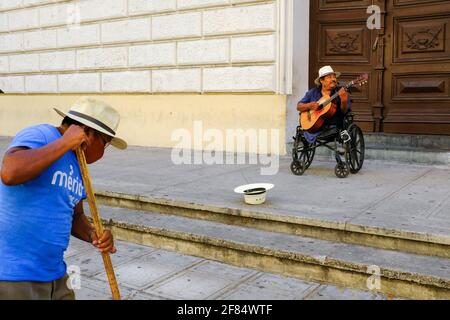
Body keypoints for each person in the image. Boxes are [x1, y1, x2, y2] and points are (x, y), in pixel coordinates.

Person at [0, 97, 127, 300]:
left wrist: (93, 234)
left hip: (55, 273)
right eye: (105, 143)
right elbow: (10, 172)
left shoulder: (79, 166)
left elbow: (75, 216)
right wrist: (65, 142)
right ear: (88, 132)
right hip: (15, 275)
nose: (103, 152)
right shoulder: (42, 135)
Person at [297, 65, 351, 142]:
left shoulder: (340, 91)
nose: (333, 79)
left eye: (334, 77)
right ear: (321, 81)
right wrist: (309, 106)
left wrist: (344, 100)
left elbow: (344, 111)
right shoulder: (313, 92)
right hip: (314, 126)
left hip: (333, 126)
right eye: (329, 77)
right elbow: (299, 107)